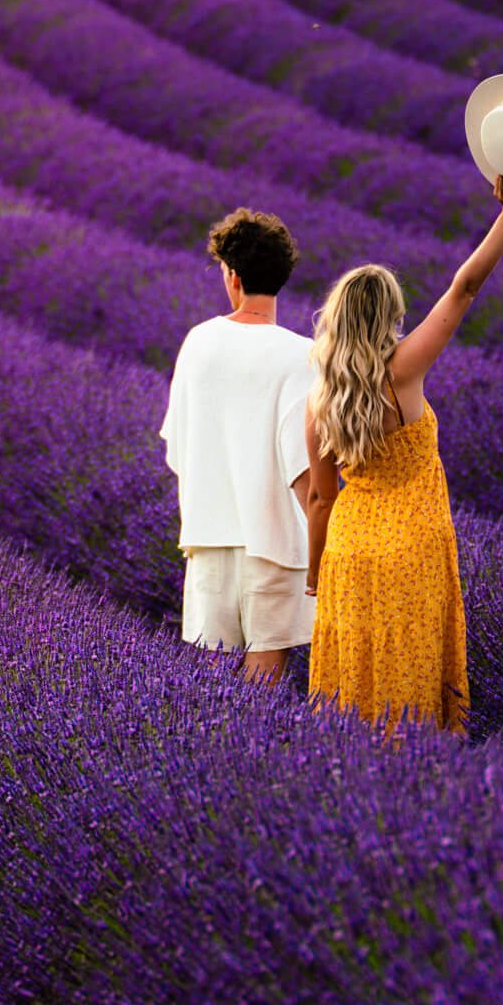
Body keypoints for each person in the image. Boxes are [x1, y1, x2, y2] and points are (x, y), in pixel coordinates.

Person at [304, 174, 503, 735]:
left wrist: (314, 575)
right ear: (389, 319)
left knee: (352, 688)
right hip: (413, 548)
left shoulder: (319, 402)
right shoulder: (402, 371)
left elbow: (320, 500)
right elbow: (465, 287)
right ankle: (413, 782)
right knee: (409, 683)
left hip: (349, 553)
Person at [160, 208, 316, 685]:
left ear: (231, 276)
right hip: (274, 543)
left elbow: (175, 449)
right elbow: (305, 470)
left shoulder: (198, 343)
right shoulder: (302, 355)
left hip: (208, 537)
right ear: (282, 277)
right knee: (262, 691)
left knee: (215, 694)